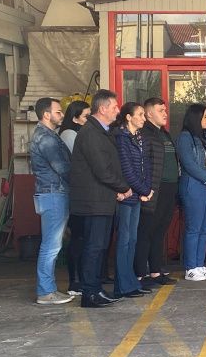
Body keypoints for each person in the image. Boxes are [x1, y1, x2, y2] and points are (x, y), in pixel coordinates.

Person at [70, 89, 132, 308]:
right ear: (103, 108)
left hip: (103, 199)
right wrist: (124, 187)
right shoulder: (90, 133)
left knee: (100, 247)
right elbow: (102, 169)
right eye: (114, 107)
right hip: (93, 201)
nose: (118, 110)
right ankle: (89, 293)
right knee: (94, 247)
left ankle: (96, 289)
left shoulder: (102, 131)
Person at [31, 97, 74, 305]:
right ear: (46, 114)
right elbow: (63, 168)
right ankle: (46, 291)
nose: (62, 115)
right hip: (53, 194)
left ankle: (48, 289)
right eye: (58, 112)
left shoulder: (48, 135)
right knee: (51, 245)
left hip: (52, 193)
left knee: (52, 244)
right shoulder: (46, 138)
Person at [135, 98, 178, 286]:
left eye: (165, 110)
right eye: (161, 110)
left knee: (160, 231)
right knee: (146, 231)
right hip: (153, 189)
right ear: (149, 113)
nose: (165, 113)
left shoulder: (165, 134)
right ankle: (140, 273)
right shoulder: (144, 134)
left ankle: (155, 271)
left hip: (170, 188)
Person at [112, 103, 154, 299]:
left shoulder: (140, 137)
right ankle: (122, 284)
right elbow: (127, 170)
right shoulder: (121, 138)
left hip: (138, 194)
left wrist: (147, 189)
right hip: (127, 195)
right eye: (140, 115)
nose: (144, 118)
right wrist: (144, 189)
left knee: (133, 239)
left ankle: (131, 281)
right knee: (124, 240)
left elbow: (147, 165)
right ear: (128, 117)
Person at [177, 104, 206, 281]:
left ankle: (200, 264)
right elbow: (189, 163)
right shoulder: (185, 137)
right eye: (204, 117)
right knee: (193, 227)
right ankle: (190, 267)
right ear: (195, 118)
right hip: (194, 185)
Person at [58, 100, 90, 296]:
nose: (88, 119)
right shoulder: (70, 134)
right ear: (75, 117)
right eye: (86, 116)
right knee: (78, 237)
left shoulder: (81, 133)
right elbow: (81, 161)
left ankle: (83, 279)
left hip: (82, 192)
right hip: (75, 193)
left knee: (84, 238)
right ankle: (74, 281)